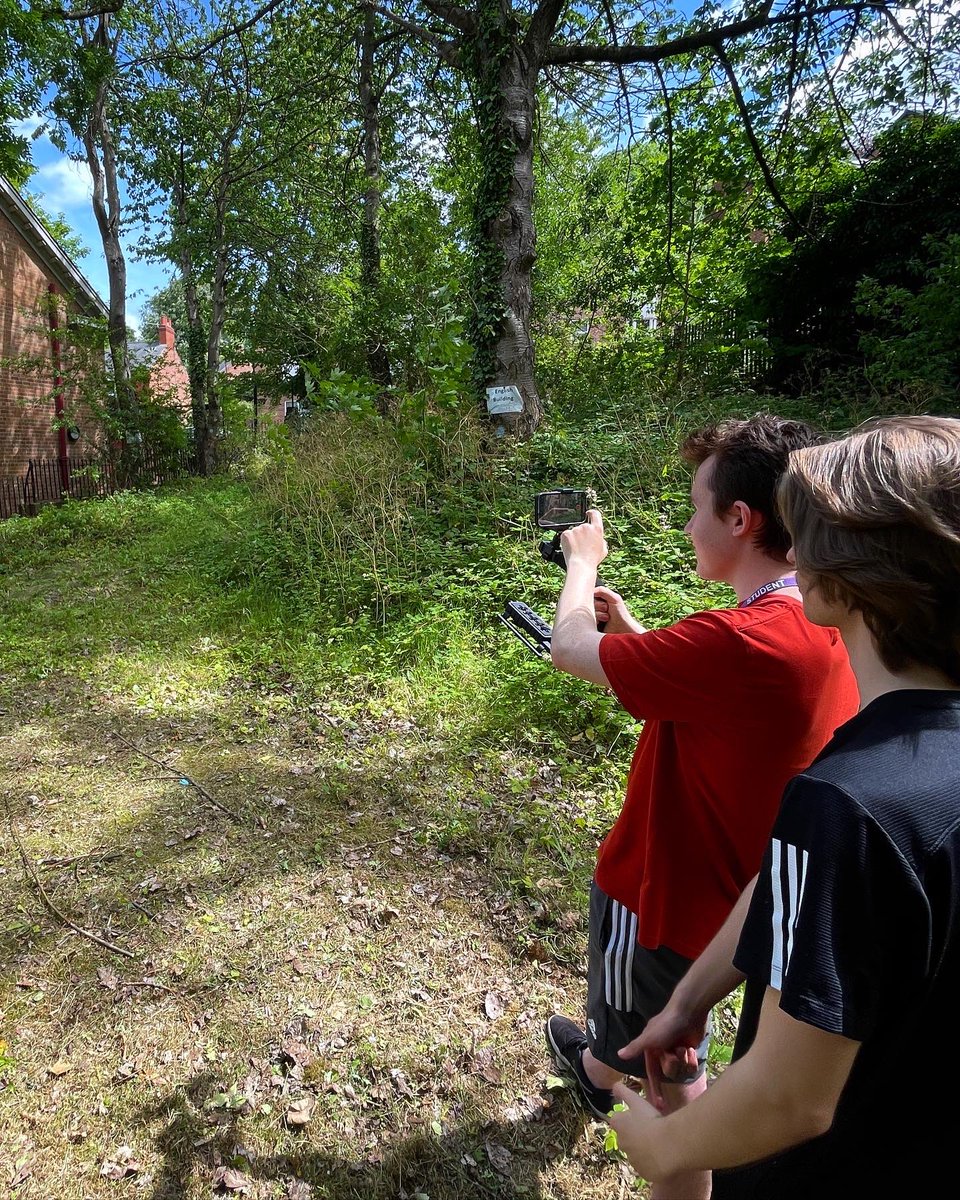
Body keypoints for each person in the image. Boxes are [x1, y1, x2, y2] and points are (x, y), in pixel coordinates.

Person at [608, 414, 960, 1198]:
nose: (794, 558)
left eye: (812, 540)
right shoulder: (897, 774)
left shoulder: (847, 802)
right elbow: (789, 883)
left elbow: (789, 1097)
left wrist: (664, 1151)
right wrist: (691, 999)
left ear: (859, 571)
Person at [545, 415, 858, 1200]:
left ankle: (624, 1097)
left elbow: (569, 649)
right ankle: (596, 1060)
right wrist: (646, 642)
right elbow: (729, 705)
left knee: (668, 1066)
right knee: (673, 1039)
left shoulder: (746, 639)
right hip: (745, 898)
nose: (687, 525)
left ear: (740, 519)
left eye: (695, 508)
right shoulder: (825, 619)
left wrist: (581, 568)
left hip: (664, 896)